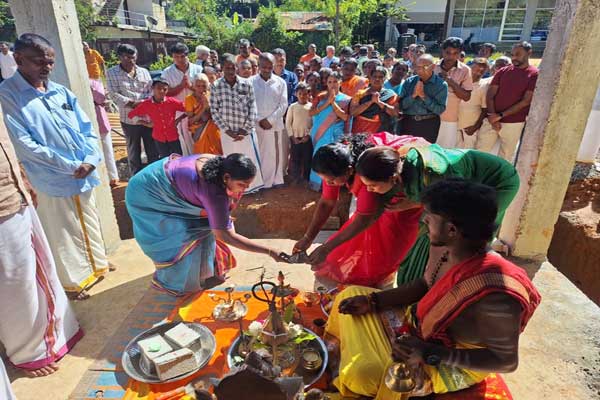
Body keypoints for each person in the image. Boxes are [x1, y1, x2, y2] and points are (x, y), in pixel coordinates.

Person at [324, 179, 540, 399]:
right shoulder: (444, 247)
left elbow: (505, 361)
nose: (424, 219)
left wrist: (429, 353)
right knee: (351, 294)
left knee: (362, 375)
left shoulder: (495, 292)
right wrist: (373, 301)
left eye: (430, 216)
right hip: (418, 330)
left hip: (448, 361)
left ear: (452, 229)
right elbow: (425, 284)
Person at [0, 33, 109, 300]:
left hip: (84, 171)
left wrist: (91, 159)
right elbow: (24, 144)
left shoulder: (60, 91)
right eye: (39, 62)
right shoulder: (8, 95)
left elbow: (87, 128)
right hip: (50, 177)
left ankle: (97, 266)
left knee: (88, 219)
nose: (47, 67)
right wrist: (71, 166)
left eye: (50, 62)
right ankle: (72, 283)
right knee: (61, 231)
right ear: (18, 59)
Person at [351, 143, 520, 286]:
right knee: (426, 238)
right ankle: (417, 284)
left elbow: (455, 203)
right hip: (459, 186)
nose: (369, 190)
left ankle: (464, 283)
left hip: (498, 181)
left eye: (373, 186)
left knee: (469, 237)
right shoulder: (402, 170)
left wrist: (413, 203)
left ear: (394, 179)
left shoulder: (434, 173)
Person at [126, 153, 285, 296]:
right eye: (242, 185)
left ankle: (206, 271)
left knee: (208, 223)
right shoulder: (213, 192)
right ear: (226, 178)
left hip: (162, 178)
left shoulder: (222, 165)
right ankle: (176, 282)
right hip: (148, 194)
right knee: (182, 233)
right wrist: (270, 251)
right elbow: (225, 235)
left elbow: (223, 213)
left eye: (248, 184)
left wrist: (222, 217)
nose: (245, 189)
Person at [0, 103, 82, 378]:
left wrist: (22, 178)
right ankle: (28, 352)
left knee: (39, 269)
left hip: (15, 193)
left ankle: (55, 335)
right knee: (14, 284)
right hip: (2, 207)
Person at [293, 134, 428, 286]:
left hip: (407, 180)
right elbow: (327, 202)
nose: (328, 184)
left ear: (349, 171)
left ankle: (377, 278)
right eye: (325, 180)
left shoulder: (368, 180)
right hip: (384, 177)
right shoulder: (336, 158)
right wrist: (308, 237)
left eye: (331, 181)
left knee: (388, 240)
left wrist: (326, 248)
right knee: (358, 238)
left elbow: (364, 219)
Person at [210, 54, 264, 192]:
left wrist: (244, 130)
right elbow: (214, 111)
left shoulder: (247, 84)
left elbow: (253, 108)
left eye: (233, 67)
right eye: (227, 68)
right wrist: (228, 131)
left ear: (237, 67)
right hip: (227, 133)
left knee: (249, 160)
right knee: (231, 161)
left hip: (245, 132)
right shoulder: (216, 86)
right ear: (222, 68)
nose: (230, 70)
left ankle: (252, 188)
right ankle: (234, 188)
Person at [478, 41, 539, 162]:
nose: (514, 58)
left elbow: (526, 101)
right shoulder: (503, 71)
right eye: (512, 54)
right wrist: (492, 116)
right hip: (491, 119)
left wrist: (500, 116)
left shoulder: (534, 74)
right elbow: (490, 95)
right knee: (479, 153)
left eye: (518, 54)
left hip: (513, 123)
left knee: (506, 157)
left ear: (529, 53)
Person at [107, 43, 159, 176]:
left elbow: (151, 91)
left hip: (147, 117)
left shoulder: (144, 72)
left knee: (152, 150)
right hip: (129, 118)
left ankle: (154, 177)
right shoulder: (112, 72)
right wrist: (132, 103)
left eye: (133, 57)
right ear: (120, 57)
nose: (130, 60)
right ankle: (136, 179)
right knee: (133, 151)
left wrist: (142, 103)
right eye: (127, 57)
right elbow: (113, 94)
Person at [250, 53, 288, 189]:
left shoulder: (280, 82)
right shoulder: (250, 82)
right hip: (256, 125)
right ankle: (259, 183)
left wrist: (270, 120)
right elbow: (249, 104)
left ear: (274, 66)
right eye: (263, 67)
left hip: (274, 125)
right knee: (258, 154)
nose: (266, 70)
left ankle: (275, 180)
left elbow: (283, 104)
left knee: (274, 154)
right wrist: (260, 119)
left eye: (269, 67)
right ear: (258, 66)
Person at [308, 72, 351, 189]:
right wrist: (327, 102)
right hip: (320, 133)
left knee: (334, 158)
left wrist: (333, 102)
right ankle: (317, 184)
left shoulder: (346, 99)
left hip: (336, 133)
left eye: (335, 81)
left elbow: (345, 117)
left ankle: (333, 185)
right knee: (319, 156)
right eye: (330, 82)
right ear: (326, 83)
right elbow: (311, 112)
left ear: (340, 82)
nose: (332, 84)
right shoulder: (321, 97)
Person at [161, 43, 204, 155]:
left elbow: (205, 91)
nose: (180, 59)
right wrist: (180, 86)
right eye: (176, 57)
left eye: (182, 56)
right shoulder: (167, 73)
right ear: (172, 57)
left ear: (187, 55)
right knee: (183, 144)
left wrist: (190, 87)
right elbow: (165, 93)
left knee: (200, 140)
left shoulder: (198, 69)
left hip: (198, 112)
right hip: (178, 114)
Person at [128, 78, 185, 158]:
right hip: (159, 138)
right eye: (158, 88)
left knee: (178, 158)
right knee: (165, 160)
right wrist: (145, 123)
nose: (161, 91)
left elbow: (188, 108)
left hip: (173, 136)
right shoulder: (147, 104)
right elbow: (131, 115)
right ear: (153, 88)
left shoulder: (172, 102)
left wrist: (179, 119)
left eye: (165, 89)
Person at [399, 54, 448, 143]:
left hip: (429, 124)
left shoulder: (441, 85)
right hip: (408, 123)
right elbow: (400, 106)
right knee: (406, 149)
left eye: (425, 67)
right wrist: (413, 95)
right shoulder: (409, 82)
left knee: (425, 150)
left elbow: (440, 110)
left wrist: (423, 96)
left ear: (433, 67)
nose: (420, 70)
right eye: (418, 67)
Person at [434, 37, 473, 148]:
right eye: (448, 53)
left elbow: (466, 96)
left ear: (460, 53)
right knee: (428, 149)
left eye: (455, 53)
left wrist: (449, 81)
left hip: (449, 119)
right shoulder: (433, 67)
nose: (451, 56)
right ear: (442, 51)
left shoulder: (465, 70)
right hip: (430, 116)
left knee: (445, 151)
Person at [350, 66, 398, 134]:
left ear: (385, 79)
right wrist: (370, 102)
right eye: (374, 76)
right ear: (370, 78)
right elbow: (353, 113)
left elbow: (395, 113)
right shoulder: (360, 94)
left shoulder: (390, 94)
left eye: (380, 77)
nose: (377, 79)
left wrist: (379, 102)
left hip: (380, 129)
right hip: (360, 127)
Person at [90, 78, 120, 186]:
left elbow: (101, 98)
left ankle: (112, 177)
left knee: (106, 150)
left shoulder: (95, 83)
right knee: (95, 151)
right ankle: (102, 178)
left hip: (100, 120)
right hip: (90, 122)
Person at [184, 73, 222, 155]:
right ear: (193, 86)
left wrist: (208, 105)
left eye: (204, 86)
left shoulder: (211, 95)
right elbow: (191, 121)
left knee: (217, 154)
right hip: (199, 131)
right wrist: (204, 108)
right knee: (202, 155)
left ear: (207, 86)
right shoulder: (189, 99)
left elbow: (216, 116)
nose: (201, 89)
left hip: (213, 129)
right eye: (198, 86)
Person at [457, 58, 491, 149]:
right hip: (455, 124)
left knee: (468, 151)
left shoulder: (484, 86)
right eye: (476, 69)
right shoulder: (460, 81)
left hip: (470, 127)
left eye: (482, 71)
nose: (478, 72)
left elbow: (485, 110)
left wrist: (476, 126)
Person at [285, 82, 313, 183]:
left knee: (307, 159)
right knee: (295, 159)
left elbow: (314, 123)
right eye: (300, 93)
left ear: (309, 94)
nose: (302, 96)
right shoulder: (292, 107)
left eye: (305, 94)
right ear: (296, 94)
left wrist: (308, 135)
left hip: (307, 139)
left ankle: (306, 178)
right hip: (295, 138)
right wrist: (292, 137)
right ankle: (295, 178)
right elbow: (288, 123)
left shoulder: (312, 107)